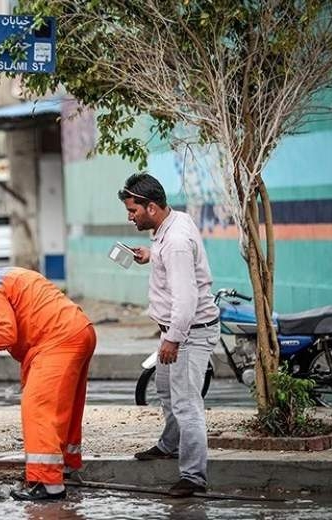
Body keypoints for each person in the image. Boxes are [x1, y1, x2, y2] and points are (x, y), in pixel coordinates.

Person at [0, 249, 96, 501]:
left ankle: (49, 484)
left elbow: (5, 335)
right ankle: (65, 467)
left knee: (37, 408)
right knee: (65, 407)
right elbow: (16, 322)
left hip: (58, 340)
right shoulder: (5, 276)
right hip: (78, 331)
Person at [117, 172, 220, 498]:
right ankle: (169, 445)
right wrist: (150, 255)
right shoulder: (173, 224)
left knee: (187, 404)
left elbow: (186, 299)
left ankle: (193, 477)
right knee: (165, 389)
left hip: (188, 334)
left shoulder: (174, 242)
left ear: (151, 207)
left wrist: (173, 339)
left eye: (133, 211)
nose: (129, 217)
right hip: (176, 332)